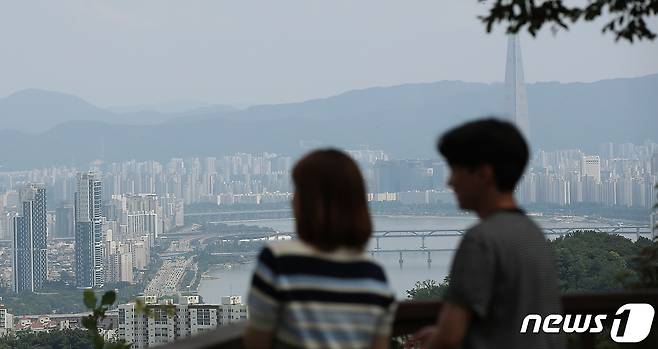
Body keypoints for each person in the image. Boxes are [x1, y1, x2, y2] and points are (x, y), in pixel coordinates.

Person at [409, 119, 564, 349]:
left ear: (483, 174)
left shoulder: (480, 241)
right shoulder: (534, 234)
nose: (450, 182)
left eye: (455, 170)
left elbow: (449, 339)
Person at [244, 149, 396, 349]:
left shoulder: (278, 261)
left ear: (308, 203)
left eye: (297, 190)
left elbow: (257, 342)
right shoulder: (375, 276)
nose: (291, 199)